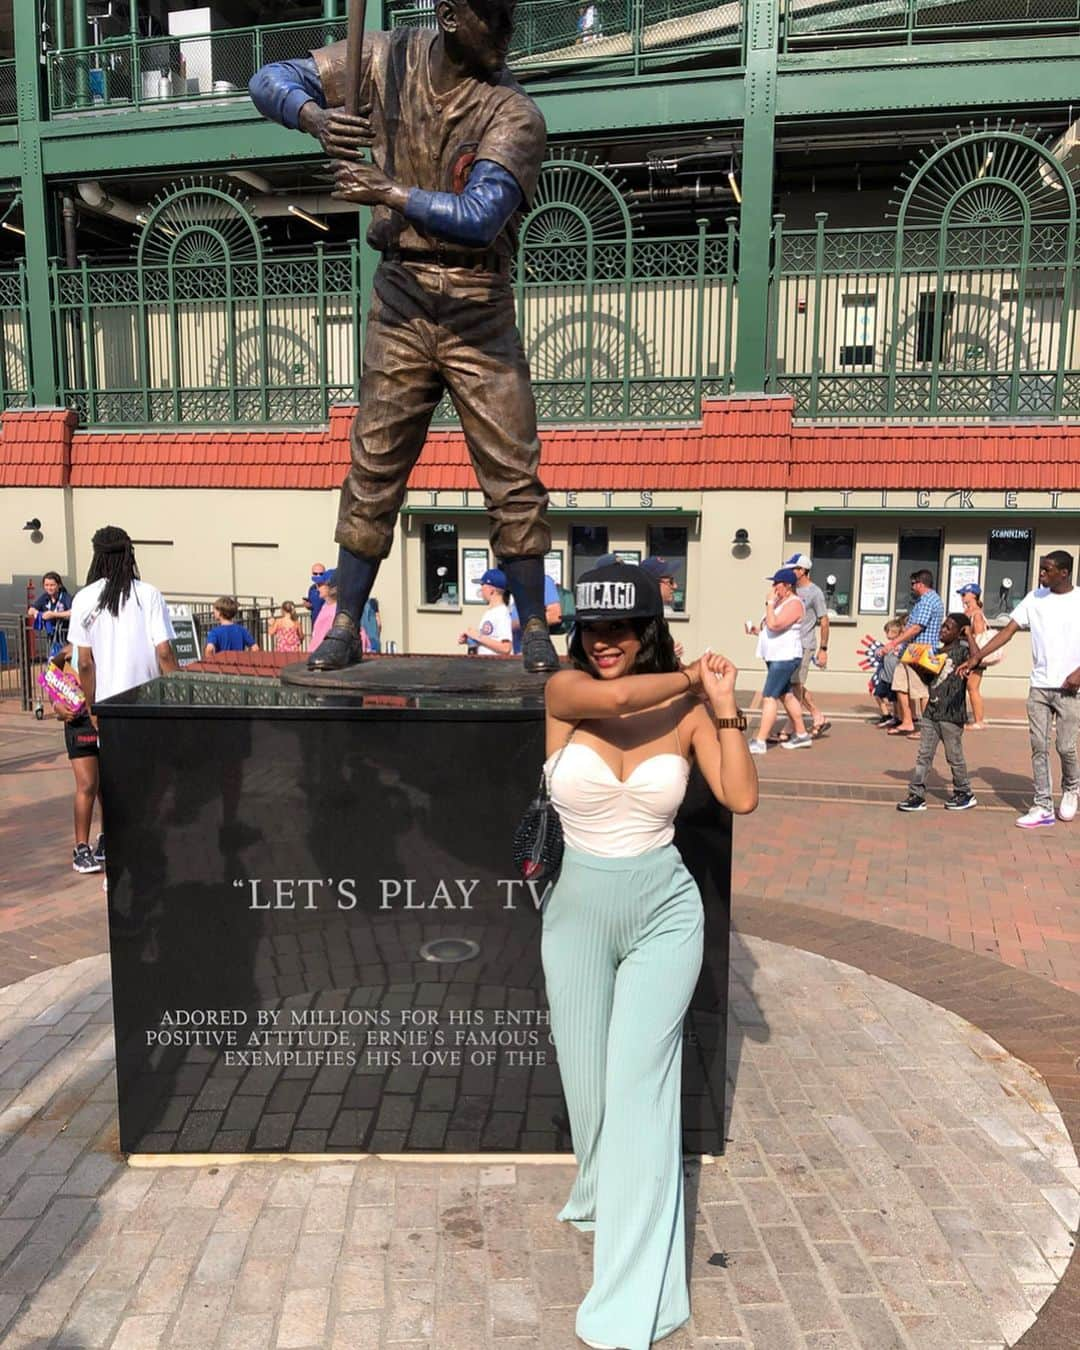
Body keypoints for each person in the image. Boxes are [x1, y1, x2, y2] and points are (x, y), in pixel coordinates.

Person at [249, 0, 559, 675]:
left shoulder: (515, 114)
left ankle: (535, 624)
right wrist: (315, 117)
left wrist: (389, 192)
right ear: (450, 16)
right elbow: (268, 79)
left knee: (513, 475)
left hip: (480, 304)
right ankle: (346, 623)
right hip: (403, 296)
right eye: (493, 21)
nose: (507, 36)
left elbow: (479, 217)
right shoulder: (384, 59)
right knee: (374, 466)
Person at [541, 561, 757, 1350]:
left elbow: (740, 797)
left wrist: (724, 708)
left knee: (639, 1087)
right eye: (594, 628)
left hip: (665, 912)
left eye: (623, 627)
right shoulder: (565, 693)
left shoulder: (690, 708)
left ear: (648, 629)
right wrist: (686, 680)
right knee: (590, 1084)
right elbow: (621, 699)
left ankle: (633, 1290)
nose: (606, 643)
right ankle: (600, 1187)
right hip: (576, 916)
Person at [958, 550, 1080, 828]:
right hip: (1039, 686)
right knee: (1039, 746)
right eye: (1040, 569)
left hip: (1070, 688)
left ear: (1064, 572)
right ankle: (1043, 806)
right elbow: (1007, 631)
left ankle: (1071, 788)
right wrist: (977, 656)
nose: (1040, 574)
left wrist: (1078, 673)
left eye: (1047, 570)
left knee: (1065, 746)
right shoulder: (1034, 599)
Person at [68, 527, 179, 717]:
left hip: (108, 705)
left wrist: (91, 706)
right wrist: (179, 696)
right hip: (149, 702)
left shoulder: (83, 598)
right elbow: (164, 652)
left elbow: (85, 663)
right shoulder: (149, 594)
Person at [897, 613, 977, 812]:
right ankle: (916, 794)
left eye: (948, 628)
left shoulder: (964, 652)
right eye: (943, 626)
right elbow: (930, 681)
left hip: (951, 715)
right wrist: (917, 667)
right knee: (924, 755)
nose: (942, 629)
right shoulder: (937, 652)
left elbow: (978, 657)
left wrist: (969, 635)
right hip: (931, 713)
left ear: (959, 632)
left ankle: (964, 792)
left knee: (954, 756)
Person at [47, 643, 105, 874]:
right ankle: (81, 848)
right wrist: (56, 703)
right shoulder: (71, 648)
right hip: (80, 720)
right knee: (88, 784)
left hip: (106, 714)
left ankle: (106, 839)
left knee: (107, 785)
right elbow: (52, 669)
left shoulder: (112, 636)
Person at [746, 568, 812, 753]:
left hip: (785, 657)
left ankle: (760, 741)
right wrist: (757, 632)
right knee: (786, 695)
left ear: (788, 586)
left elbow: (775, 625)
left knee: (769, 697)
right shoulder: (780, 604)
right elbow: (771, 628)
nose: (773, 587)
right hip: (775, 655)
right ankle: (801, 734)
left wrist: (769, 602)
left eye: (777, 583)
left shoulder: (794, 603)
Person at [879, 569, 944, 736]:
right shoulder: (922, 600)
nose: (912, 587)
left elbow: (917, 627)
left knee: (921, 691)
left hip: (921, 650)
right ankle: (907, 721)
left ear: (921, 584)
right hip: (911, 650)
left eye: (913, 584)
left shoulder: (928, 601)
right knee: (900, 685)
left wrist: (894, 642)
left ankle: (927, 728)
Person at [785, 553, 830, 738]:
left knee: (795, 683)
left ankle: (793, 724)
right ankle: (817, 716)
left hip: (804, 644)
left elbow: (824, 620)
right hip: (788, 644)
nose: (790, 571)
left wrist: (823, 649)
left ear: (802, 570)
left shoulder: (815, 592)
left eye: (793, 568)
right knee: (792, 684)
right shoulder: (790, 589)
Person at [959, 583, 993, 728]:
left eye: (964, 594)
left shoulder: (976, 614)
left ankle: (979, 721)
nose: (962, 597)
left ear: (973, 595)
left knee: (972, 687)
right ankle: (964, 716)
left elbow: (979, 637)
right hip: (965, 654)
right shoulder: (967, 612)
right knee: (965, 686)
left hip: (974, 656)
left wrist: (975, 657)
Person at [458, 567, 512, 656]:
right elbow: (488, 640)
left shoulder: (502, 613)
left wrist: (478, 636)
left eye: (482, 585)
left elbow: (506, 648)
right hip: (485, 665)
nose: (481, 589)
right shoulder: (490, 612)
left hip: (496, 667)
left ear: (491, 590)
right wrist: (471, 640)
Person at [510, 572, 561, 653]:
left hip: (535, 652)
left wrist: (513, 624)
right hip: (517, 651)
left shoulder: (543, 581)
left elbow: (555, 615)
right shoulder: (516, 583)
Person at [27, 571, 74, 657]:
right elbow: (30, 610)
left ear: (59, 585)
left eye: (52, 585)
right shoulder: (45, 597)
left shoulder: (65, 597)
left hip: (66, 638)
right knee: (53, 662)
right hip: (52, 638)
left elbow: (73, 612)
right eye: (46, 585)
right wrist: (37, 613)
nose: (49, 588)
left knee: (64, 662)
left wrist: (53, 614)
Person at [872, 618, 904, 726]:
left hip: (894, 678)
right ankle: (886, 715)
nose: (886, 634)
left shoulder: (900, 646)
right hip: (885, 677)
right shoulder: (888, 646)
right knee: (878, 694)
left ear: (895, 632)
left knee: (895, 699)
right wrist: (879, 653)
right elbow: (879, 655)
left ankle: (897, 717)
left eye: (887, 631)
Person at [304, 562, 328, 627]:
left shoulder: (329, 588)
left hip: (326, 623)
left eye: (321, 574)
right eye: (315, 573)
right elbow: (312, 606)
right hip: (315, 622)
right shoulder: (312, 589)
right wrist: (308, 606)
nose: (318, 576)